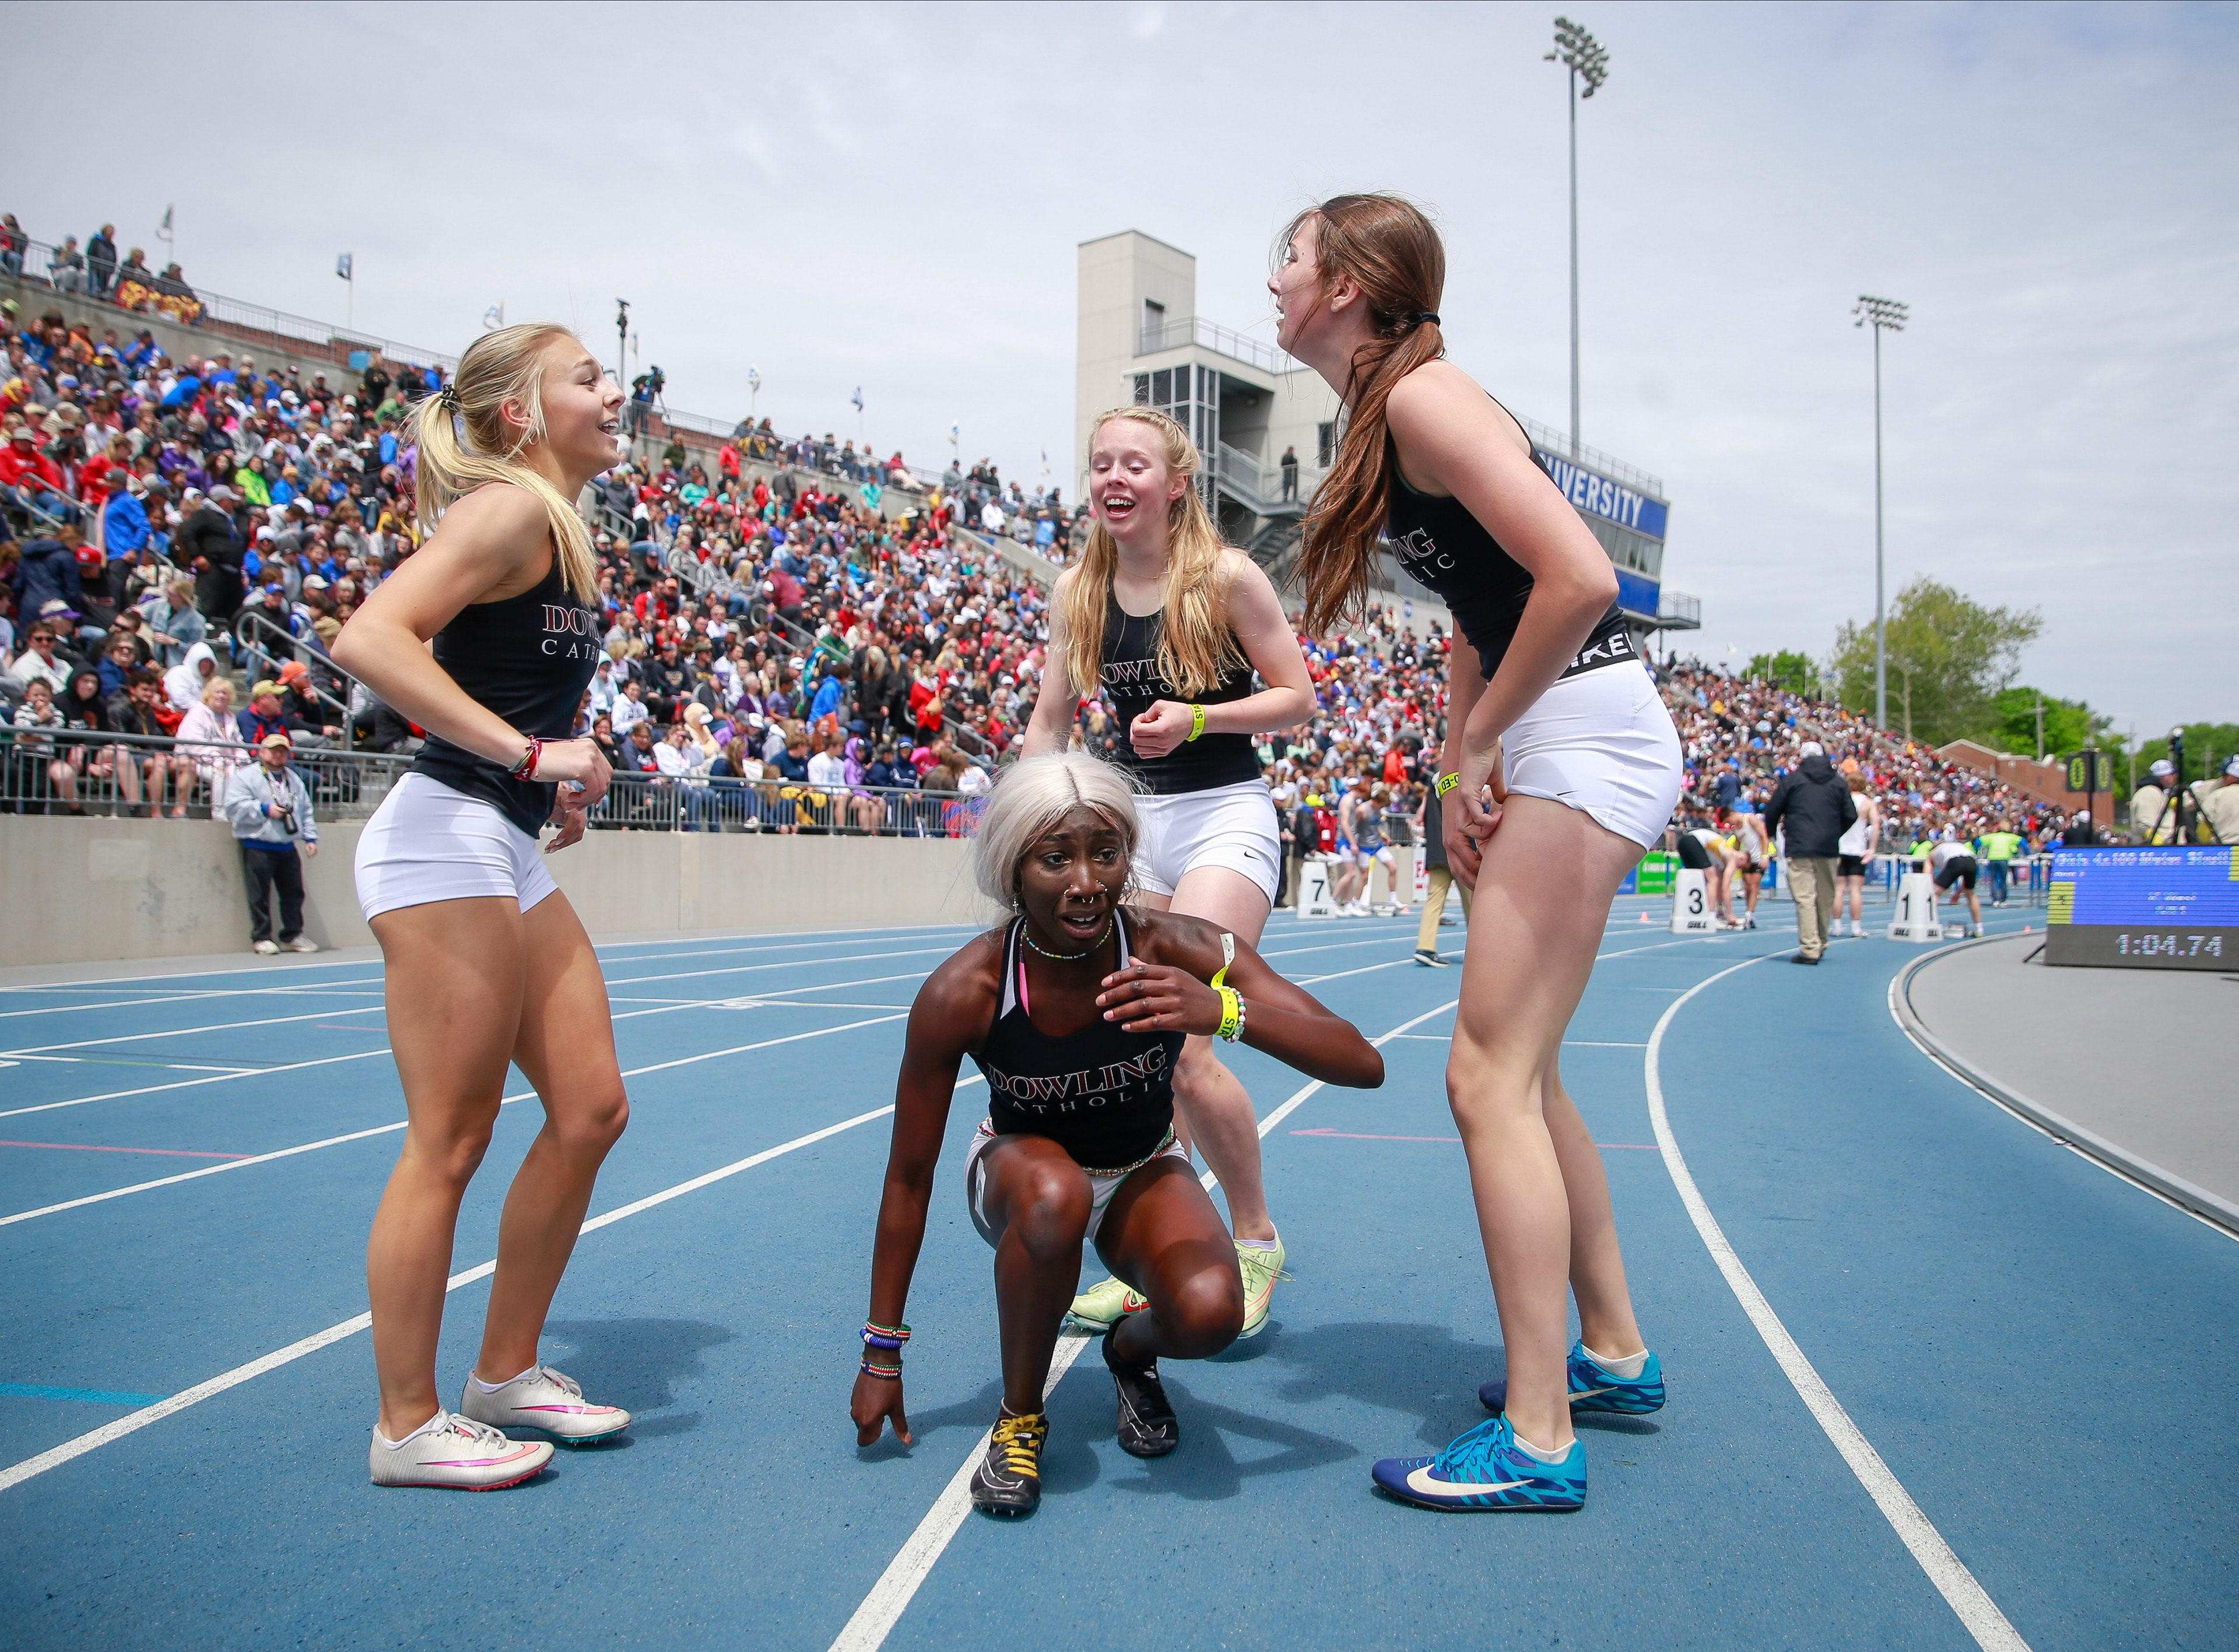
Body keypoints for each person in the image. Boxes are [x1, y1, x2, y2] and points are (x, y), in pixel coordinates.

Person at [1271, 194, 1682, 1510]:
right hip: (1560, 727)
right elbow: (1476, 608)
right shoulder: (1393, 406)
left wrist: (1478, 747)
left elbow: (1578, 580)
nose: (1270, 279)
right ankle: (1609, 1354)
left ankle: (1540, 1435)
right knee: (1530, 1071)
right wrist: (1463, 745)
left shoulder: (1424, 400)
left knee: (1482, 1076)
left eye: (1285, 258)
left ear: (1341, 283)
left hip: (1581, 729)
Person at [848, 754, 1382, 1516]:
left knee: (1212, 1313)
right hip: (1016, 1173)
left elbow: (1359, 1059)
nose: (1086, 881)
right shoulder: (962, 990)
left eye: (1106, 852)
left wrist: (1221, 1011)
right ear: (1013, 869)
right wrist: (882, 1351)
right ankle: (1020, 1417)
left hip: (1141, 1167)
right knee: (1056, 1194)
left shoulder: (1176, 945)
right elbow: (907, 1177)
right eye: (1055, 857)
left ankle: (1130, 1351)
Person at [331, 323, 633, 1491]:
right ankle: (406, 1424)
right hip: (440, 841)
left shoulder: (561, 527)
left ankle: (503, 1372)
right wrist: (526, 751)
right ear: (519, 413)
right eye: (587, 377)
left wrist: (550, 777)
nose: (613, 392)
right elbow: (369, 638)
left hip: (498, 838)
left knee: (592, 1106)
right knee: (450, 1140)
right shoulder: (506, 510)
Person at [1019, 405, 1317, 1341]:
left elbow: (1297, 699)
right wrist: (1027, 822)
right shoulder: (1080, 589)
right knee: (1134, 1044)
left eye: (1134, 464)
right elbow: (1050, 722)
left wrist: (1198, 719)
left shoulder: (1226, 577)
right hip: (1136, 825)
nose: (1113, 477)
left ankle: (1256, 1235)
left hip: (1225, 810)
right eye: (1101, 462)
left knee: (1185, 1042)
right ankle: (1167, 1253)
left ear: (1176, 483)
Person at [222, 732, 322, 954]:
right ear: (262, 752)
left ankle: (293, 934)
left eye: (283, 751)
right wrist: (265, 809)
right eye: (274, 750)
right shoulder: (246, 776)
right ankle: (261, 937)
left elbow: (306, 811)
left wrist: (310, 837)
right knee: (259, 894)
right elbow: (233, 806)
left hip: (287, 845)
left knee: (294, 893)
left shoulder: (293, 779)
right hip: (257, 844)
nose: (278, 755)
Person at [1762, 740, 1855, 965]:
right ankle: (1821, 942)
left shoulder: (1793, 780)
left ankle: (1810, 947)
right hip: (1828, 846)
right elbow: (1851, 815)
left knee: (1805, 898)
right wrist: (1835, 833)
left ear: (1802, 758)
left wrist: (1774, 833)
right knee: (1826, 897)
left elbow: (1773, 810)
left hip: (1800, 844)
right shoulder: (1838, 783)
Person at [1413, 736, 1472, 965]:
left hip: (1438, 848)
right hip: (1462, 847)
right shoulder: (1462, 775)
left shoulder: (1436, 777)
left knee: (1434, 899)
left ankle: (1425, 947)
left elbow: (1425, 812)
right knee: (1474, 900)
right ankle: (1482, 948)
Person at [1834, 774, 1879, 937]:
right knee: (1855, 891)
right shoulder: (1868, 803)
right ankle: (1856, 928)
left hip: (1839, 848)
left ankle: (1837, 926)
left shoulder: (1840, 800)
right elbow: (1876, 825)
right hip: (1858, 850)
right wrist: (1872, 848)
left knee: (1839, 890)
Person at [1930, 827, 1983, 937]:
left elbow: (1927, 875)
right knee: (1971, 894)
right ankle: (1979, 929)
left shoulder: (1932, 854)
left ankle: (1931, 926)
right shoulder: (1958, 846)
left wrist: (1930, 887)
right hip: (1971, 861)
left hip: (1955, 861)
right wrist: (1957, 894)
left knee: (1934, 893)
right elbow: (1964, 882)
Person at [2192, 755, 2239, 847]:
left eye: (2224, 775)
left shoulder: (2218, 794)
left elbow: (2203, 827)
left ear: (2232, 777)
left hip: (2224, 850)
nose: (2222, 779)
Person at [1977, 816, 2022, 908]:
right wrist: (2027, 853)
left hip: (1992, 859)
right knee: (2003, 880)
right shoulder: (2011, 837)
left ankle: (1995, 899)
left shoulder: (1992, 837)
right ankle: (2003, 899)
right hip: (2003, 859)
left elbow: (1978, 841)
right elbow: (2023, 842)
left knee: (1993, 880)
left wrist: (1977, 851)